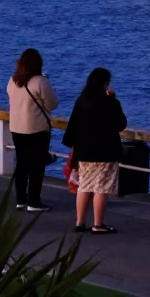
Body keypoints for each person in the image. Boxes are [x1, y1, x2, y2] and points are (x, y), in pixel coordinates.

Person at [62, 67, 127, 234]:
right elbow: (121, 124)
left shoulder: (81, 100)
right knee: (101, 188)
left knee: (85, 186)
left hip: (84, 150)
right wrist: (114, 99)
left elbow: (72, 126)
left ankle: (79, 222)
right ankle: (98, 224)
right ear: (105, 83)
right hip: (105, 151)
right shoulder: (110, 102)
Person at [6, 48, 58, 212]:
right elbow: (52, 104)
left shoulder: (13, 81)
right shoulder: (41, 82)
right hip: (36, 129)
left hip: (16, 128)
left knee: (21, 164)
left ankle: (21, 199)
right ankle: (34, 201)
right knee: (37, 166)